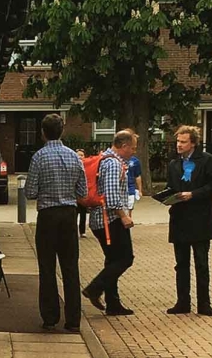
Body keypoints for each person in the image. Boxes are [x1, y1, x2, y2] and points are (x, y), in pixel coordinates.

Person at [24, 114, 87, 332]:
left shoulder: (39, 158)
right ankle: (73, 321)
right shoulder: (73, 157)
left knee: (47, 267)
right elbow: (83, 191)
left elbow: (30, 192)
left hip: (48, 216)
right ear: (62, 131)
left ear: (42, 132)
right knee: (70, 268)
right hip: (69, 214)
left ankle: (50, 317)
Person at [166, 125, 212, 316]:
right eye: (178, 141)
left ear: (193, 143)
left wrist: (194, 194)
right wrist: (167, 197)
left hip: (199, 218)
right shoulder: (174, 163)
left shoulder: (207, 160)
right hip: (179, 219)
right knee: (181, 264)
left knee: (201, 263)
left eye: (183, 142)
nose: (179, 145)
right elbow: (171, 187)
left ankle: (204, 303)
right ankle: (182, 302)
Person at [81, 130, 138, 316]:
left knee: (112, 259)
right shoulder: (113, 164)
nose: (133, 152)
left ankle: (113, 303)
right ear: (124, 146)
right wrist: (124, 216)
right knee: (125, 258)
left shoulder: (104, 159)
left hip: (99, 219)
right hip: (110, 220)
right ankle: (94, 288)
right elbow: (112, 196)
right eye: (133, 148)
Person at [76, 149, 88, 238]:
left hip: (83, 195)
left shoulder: (87, 166)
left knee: (83, 214)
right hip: (75, 195)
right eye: (78, 155)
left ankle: (82, 231)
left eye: (82, 155)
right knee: (74, 214)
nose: (80, 157)